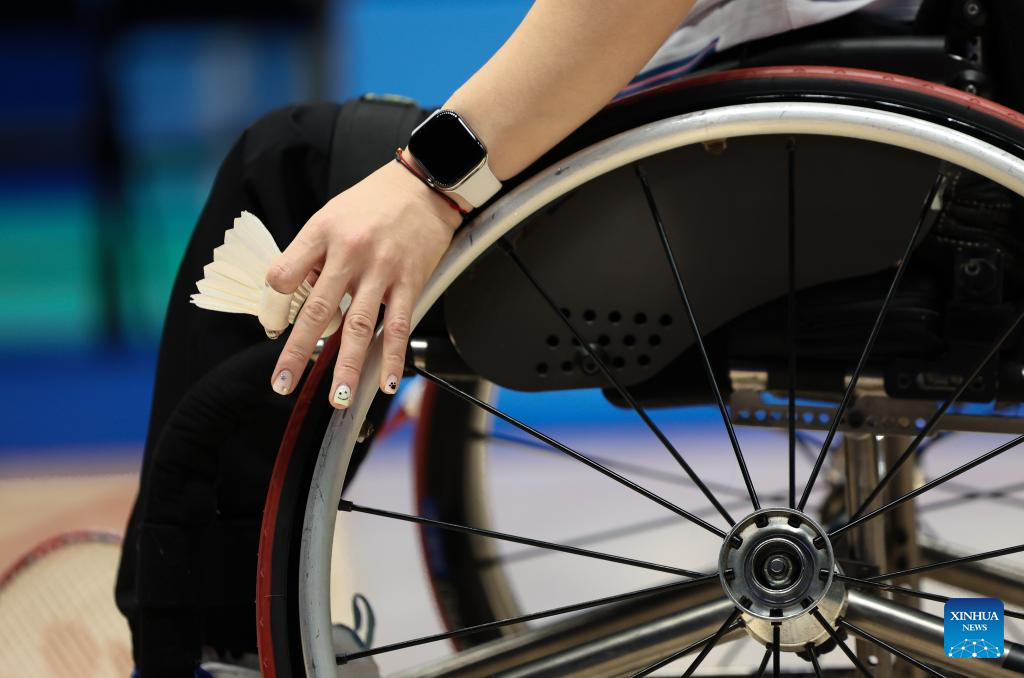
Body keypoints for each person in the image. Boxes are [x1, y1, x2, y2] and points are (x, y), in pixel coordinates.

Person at [117, 1, 954, 676]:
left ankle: (216, 646)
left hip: (768, 178)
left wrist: (431, 182)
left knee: (289, 165)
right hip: (853, 175)